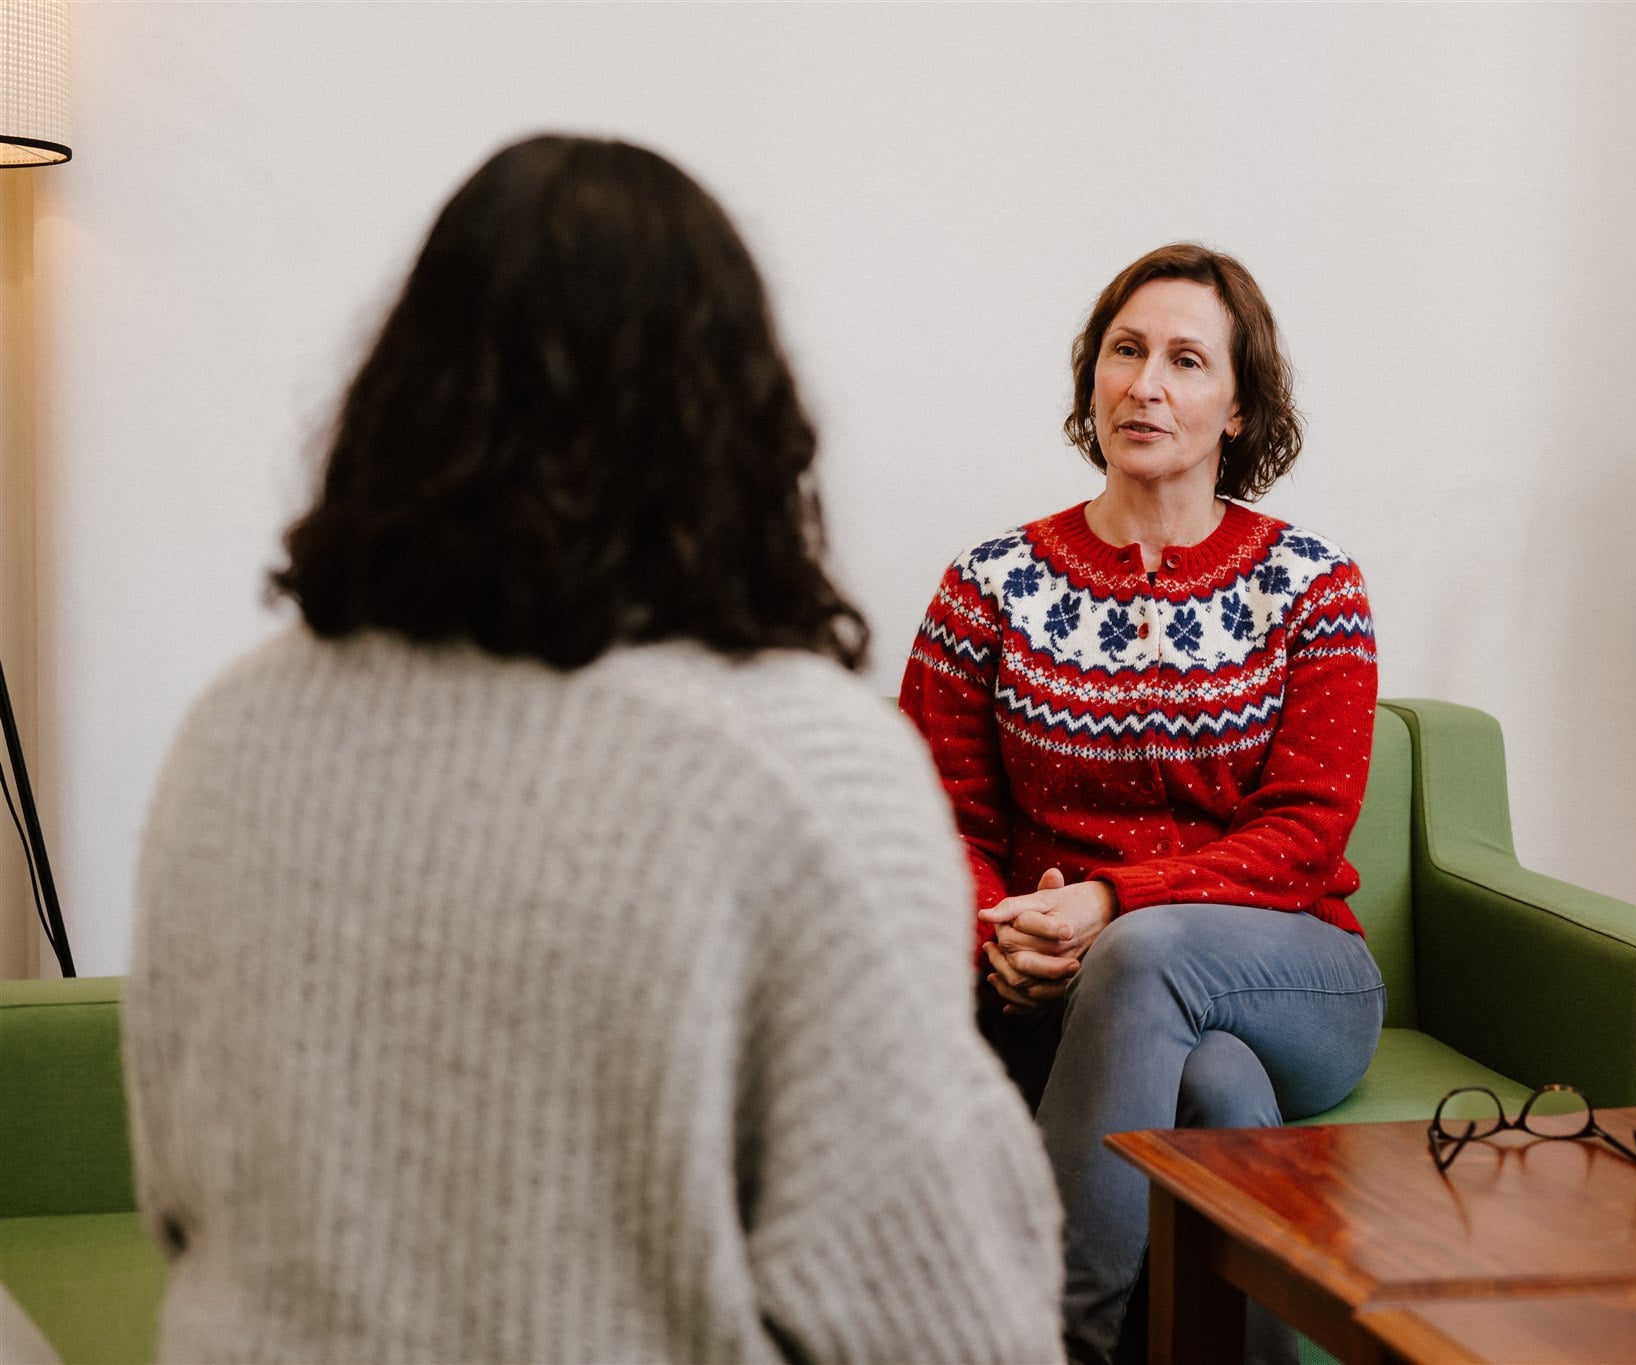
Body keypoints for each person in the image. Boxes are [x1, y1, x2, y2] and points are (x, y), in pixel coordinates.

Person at [122, 136, 1063, 1365]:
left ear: (404, 398)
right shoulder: (811, 768)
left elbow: (176, 1199)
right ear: (741, 420)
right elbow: (948, 1327)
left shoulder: (230, 734)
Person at [900, 243, 1387, 1364]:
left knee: (1147, 951)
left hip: (1296, 974)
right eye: (1124, 352)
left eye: (1183, 360)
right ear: (1090, 379)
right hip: (1053, 993)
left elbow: (1304, 839)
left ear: (1238, 404)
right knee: (1215, 1086)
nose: (1145, 385)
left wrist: (1112, 901)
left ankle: (1043, 1343)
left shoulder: (1312, 586)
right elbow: (943, 822)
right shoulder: (989, 586)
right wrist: (998, 935)